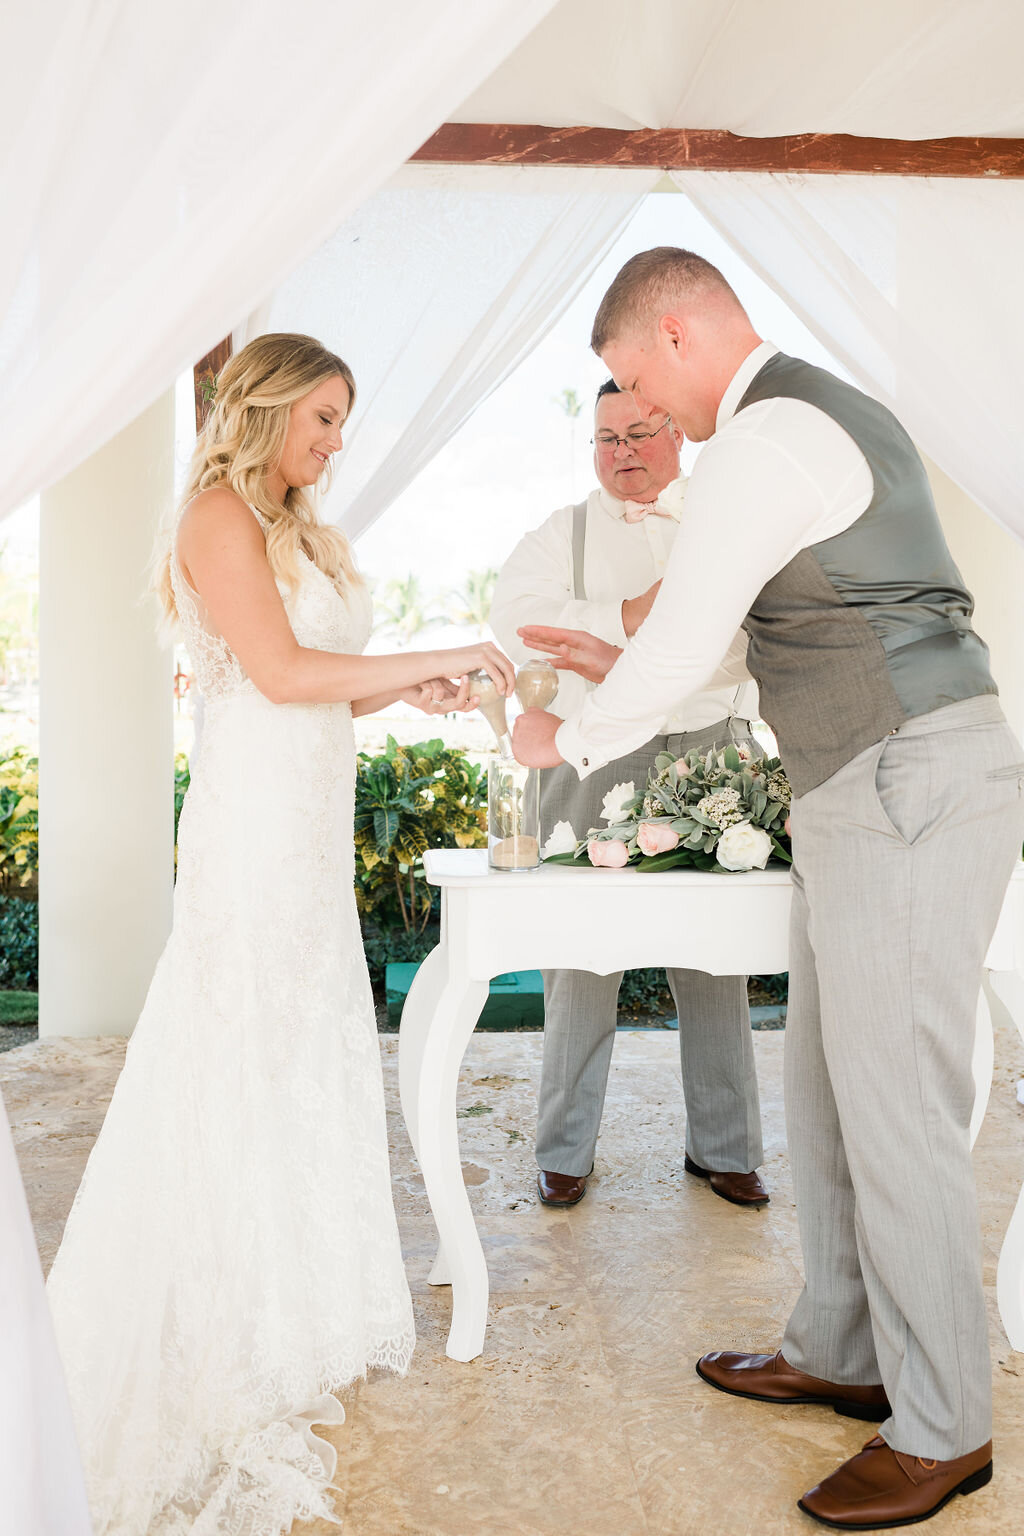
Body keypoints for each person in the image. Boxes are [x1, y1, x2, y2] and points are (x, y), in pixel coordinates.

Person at [511, 249, 1024, 1531]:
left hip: (904, 776)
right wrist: (612, 651)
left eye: (638, 380)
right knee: (829, 1087)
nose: (648, 417)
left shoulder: (767, 432)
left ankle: (943, 1428)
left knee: (896, 1106)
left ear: (678, 334)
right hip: (860, 785)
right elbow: (740, 643)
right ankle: (842, 1349)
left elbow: (691, 635)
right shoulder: (801, 424)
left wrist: (563, 739)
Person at [46, 333, 515, 1536]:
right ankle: (225, 1299)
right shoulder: (214, 515)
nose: (336, 442)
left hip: (307, 819)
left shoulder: (299, 528)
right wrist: (452, 646)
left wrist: (405, 688)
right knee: (238, 1039)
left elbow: (325, 676)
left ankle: (294, 1291)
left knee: (302, 1043)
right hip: (254, 824)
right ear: (259, 410)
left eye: (342, 420)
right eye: (322, 417)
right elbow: (276, 668)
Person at [490, 378, 767, 1210]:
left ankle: (726, 1149)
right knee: (578, 957)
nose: (625, 454)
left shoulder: (720, 525)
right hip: (590, 757)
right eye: (608, 438)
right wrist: (638, 614)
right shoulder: (558, 534)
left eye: (641, 433)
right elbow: (522, 625)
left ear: (677, 435)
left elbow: (748, 640)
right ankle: (564, 1152)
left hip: (711, 755)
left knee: (716, 962)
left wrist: (612, 632)